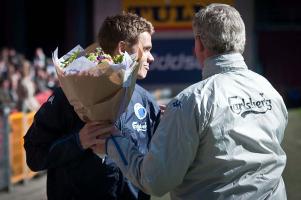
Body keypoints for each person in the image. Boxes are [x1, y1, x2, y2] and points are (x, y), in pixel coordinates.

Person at [98, 4, 288, 200]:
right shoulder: (270, 91)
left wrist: (113, 141)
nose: (151, 57)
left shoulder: (192, 101)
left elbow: (154, 181)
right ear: (242, 40)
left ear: (199, 44)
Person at [24, 12, 160, 200]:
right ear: (122, 48)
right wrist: (78, 141)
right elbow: (34, 157)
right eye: (145, 49)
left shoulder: (147, 102)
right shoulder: (67, 98)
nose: (151, 57)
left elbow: (158, 165)